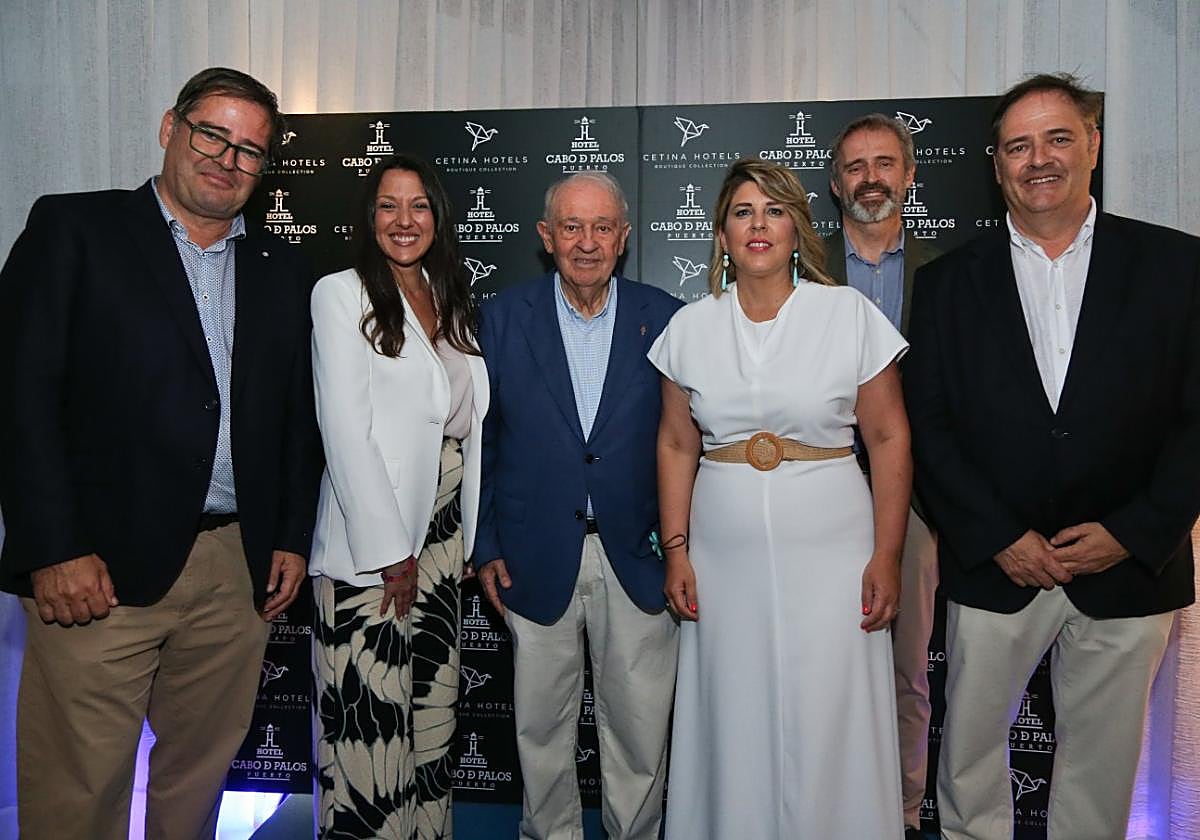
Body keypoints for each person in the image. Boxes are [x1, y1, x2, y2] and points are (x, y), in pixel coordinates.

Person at [0, 67, 323, 840]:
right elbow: (19, 392)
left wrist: (286, 536)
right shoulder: (76, 229)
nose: (227, 158)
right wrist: (54, 547)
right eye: (212, 133)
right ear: (170, 128)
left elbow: (293, 421)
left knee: (200, 778)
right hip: (96, 570)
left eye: (250, 149)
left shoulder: (284, 271)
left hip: (232, 572)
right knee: (80, 790)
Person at [903, 73, 1200, 840]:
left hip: (1131, 571)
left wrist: (1133, 532)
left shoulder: (1180, 267)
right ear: (996, 164)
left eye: (1058, 138)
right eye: (1018, 146)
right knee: (966, 768)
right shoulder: (943, 285)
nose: (1039, 159)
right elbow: (928, 426)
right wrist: (997, 536)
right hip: (994, 567)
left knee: (1100, 783)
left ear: (1093, 146)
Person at [651, 157, 911, 838]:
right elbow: (677, 446)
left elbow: (887, 438)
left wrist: (888, 555)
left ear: (798, 228)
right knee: (731, 709)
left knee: (832, 710)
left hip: (835, 552)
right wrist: (676, 551)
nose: (758, 225)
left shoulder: (848, 314)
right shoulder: (689, 328)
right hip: (722, 558)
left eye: (773, 211)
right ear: (722, 234)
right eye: (742, 212)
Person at [474, 171, 682, 840]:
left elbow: (689, 442)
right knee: (539, 730)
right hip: (533, 557)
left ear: (624, 237)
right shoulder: (502, 318)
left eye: (601, 228)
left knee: (640, 733)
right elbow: (482, 439)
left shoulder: (669, 317)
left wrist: (680, 544)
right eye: (571, 227)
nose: (586, 243)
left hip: (639, 556)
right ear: (545, 237)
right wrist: (486, 543)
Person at [308, 153, 489, 839]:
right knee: (372, 731)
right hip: (371, 544)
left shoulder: (453, 301)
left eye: (418, 206)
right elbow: (345, 433)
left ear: (438, 218)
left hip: (442, 539)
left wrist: (467, 537)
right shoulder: (340, 293)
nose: (404, 220)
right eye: (388, 205)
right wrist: (391, 552)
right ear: (369, 217)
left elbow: (467, 426)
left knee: (432, 722)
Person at [825, 113, 939, 840]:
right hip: (818, 493)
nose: (872, 178)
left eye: (885, 163)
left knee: (905, 674)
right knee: (820, 667)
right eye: (857, 166)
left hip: (921, 506)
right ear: (836, 184)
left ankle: (896, 819)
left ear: (909, 174)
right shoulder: (800, 273)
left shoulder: (949, 276)